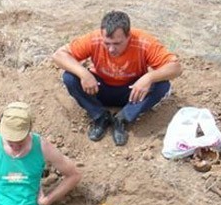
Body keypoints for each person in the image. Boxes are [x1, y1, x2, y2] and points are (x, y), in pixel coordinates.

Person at [53, 10, 182, 146]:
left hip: (132, 92)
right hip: (99, 88)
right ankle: (100, 116)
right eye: (107, 43)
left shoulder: (144, 42)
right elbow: (58, 55)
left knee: (162, 85)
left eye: (117, 43)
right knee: (70, 77)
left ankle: (122, 119)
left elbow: (176, 67)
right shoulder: (94, 39)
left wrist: (149, 77)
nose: (111, 49)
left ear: (128, 36)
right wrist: (83, 73)